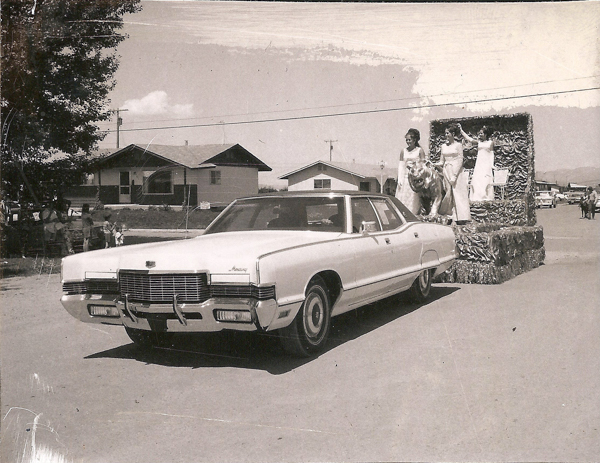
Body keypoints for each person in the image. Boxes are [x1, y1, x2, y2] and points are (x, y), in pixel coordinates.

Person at [437, 123, 471, 224]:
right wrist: (433, 163)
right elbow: (441, 161)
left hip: (456, 172)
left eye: (447, 133)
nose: (446, 135)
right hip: (446, 171)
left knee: (458, 193)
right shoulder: (443, 146)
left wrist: (455, 175)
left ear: (452, 134)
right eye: (445, 133)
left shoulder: (458, 145)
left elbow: (460, 160)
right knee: (448, 193)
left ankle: (460, 217)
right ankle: (450, 216)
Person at [459, 124, 495, 201]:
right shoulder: (479, 142)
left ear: (485, 134)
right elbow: (469, 139)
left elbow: (492, 154)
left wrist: (492, 165)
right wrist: (461, 131)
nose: (479, 134)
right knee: (478, 179)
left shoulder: (490, 143)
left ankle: (485, 196)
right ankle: (476, 197)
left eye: (481, 133)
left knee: (485, 180)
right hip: (479, 163)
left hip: (486, 164)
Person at [395, 128, 427, 214]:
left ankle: (413, 213)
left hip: (415, 178)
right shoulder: (403, 151)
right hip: (405, 177)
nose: (408, 142)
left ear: (414, 140)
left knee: (413, 198)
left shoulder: (420, 151)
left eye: (409, 140)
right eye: (406, 140)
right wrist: (400, 179)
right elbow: (401, 166)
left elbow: (423, 165)